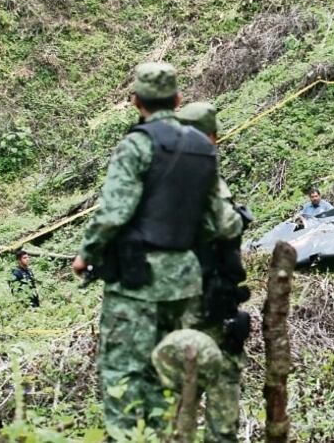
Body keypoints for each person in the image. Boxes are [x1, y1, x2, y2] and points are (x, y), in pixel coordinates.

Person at [71, 63, 241, 435]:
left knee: (124, 374)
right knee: (171, 372)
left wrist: (86, 255)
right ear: (178, 99)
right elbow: (220, 222)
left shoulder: (137, 144)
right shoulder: (202, 148)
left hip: (137, 281)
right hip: (186, 283)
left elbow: (114, 213)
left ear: (136, 102)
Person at [175, 102, 251, 443]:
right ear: (211, 137)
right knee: (222, 378)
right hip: (206, 297)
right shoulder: (204, 177)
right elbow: (227, 225)